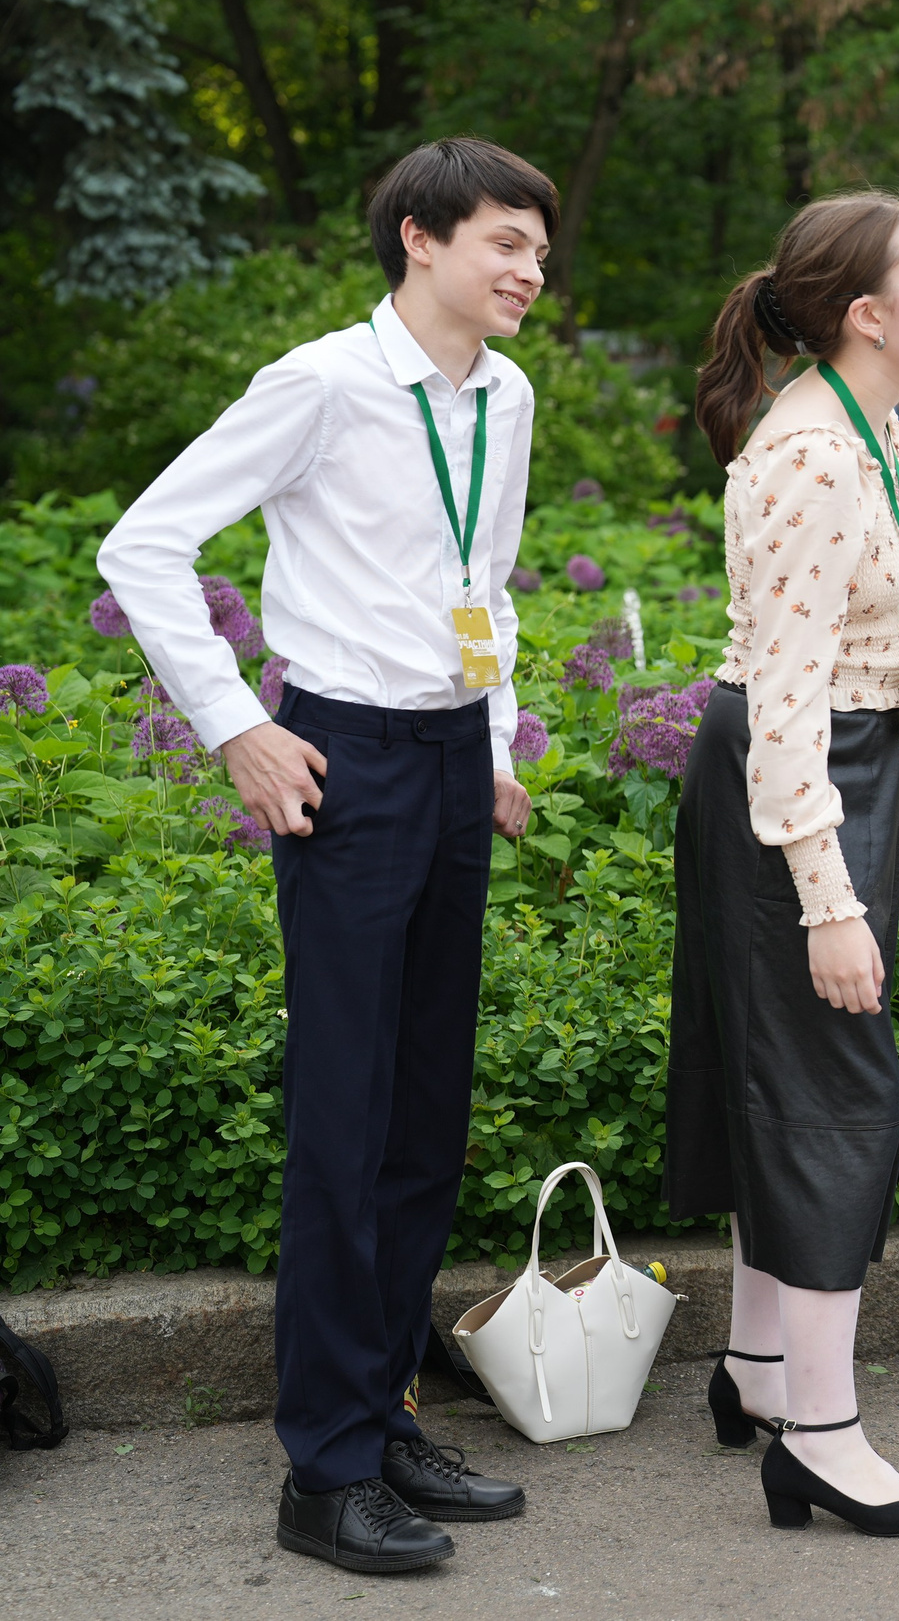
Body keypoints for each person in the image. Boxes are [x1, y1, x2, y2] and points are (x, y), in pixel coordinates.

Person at [95, 137, 552, 1574]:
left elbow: (487, 577)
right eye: (504, 243)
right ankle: (324, 1469)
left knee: (424, 1114)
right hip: (339, 761)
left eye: (540, 248)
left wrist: (492, 741)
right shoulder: (322, 383)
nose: (530, 269)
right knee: (344, 1119)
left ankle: (388, 1407)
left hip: (447, 754)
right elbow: (143, 544)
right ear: (419, 239)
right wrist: (237, 723)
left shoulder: (509, 392)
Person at [667, 191, 899, 1536]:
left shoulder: (869, 424)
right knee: (834, 1085)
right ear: (868, 313)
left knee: (780, 1070)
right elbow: (784, 702)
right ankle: (823, 1432)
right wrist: (831, 900)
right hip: (799, 782)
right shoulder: (809, 456)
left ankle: (755, 1368)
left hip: (838, 765)